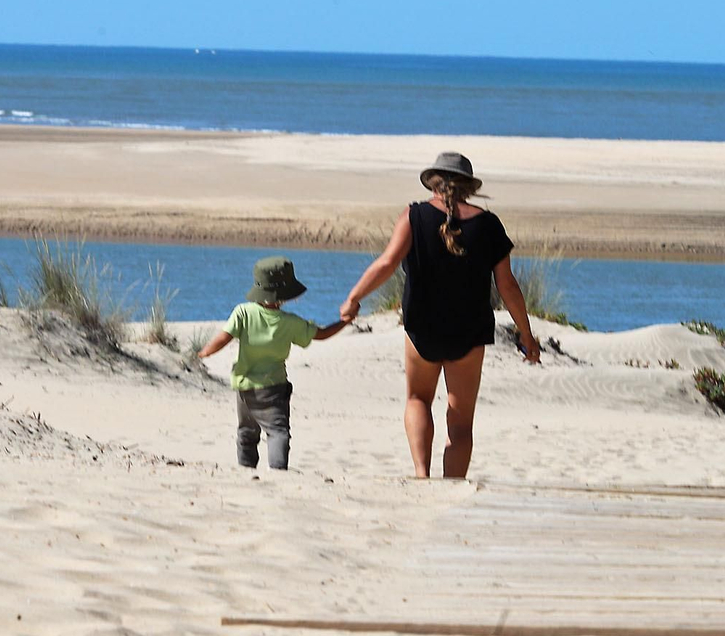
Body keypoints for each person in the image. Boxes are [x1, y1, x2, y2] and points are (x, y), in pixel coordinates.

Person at [340, 151, 541, 479]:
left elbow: (387, 263)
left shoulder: (414, 216)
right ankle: (453, 484)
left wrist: (354, 298)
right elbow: (507, 285)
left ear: (433, 183)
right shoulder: (489, 224)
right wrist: (526, 334)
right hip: (470, 333)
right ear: (469, 187)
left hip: (422, 330)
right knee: (461, 422)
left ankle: (422, 475)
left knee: (418, 398)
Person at [197, 256, 347, 470]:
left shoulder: (243, 312)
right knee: (277, 431)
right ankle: (278, 470)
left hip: (244, 387)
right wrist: (345, 321)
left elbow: (224, 337)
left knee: (246, 433)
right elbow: (321, 334)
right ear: (285, 295)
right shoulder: (291, 323)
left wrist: (203, 353)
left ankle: (245, 469)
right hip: (273, 389)